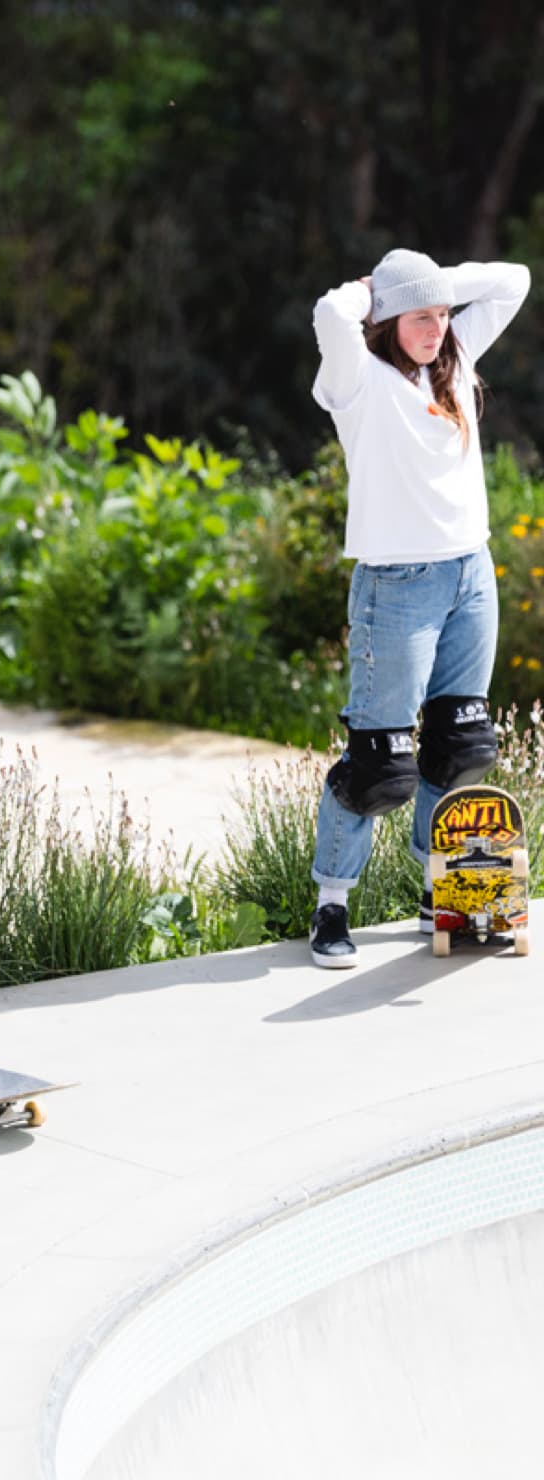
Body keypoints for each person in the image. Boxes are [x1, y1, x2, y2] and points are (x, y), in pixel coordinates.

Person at [308, 249, 531, 968]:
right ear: (388, 321)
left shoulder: (456, 365)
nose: (437, 327)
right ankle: (331, 907)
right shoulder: (360, 383)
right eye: (420, 317)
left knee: (459, 746)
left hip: (472, 573)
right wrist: (376, 291)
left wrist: (434, 289)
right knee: (379, 763)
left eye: (442, 315)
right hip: (397, 584)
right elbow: (328, 313)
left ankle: (448, 896)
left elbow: (514, 280)